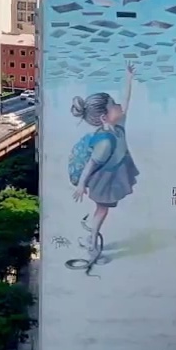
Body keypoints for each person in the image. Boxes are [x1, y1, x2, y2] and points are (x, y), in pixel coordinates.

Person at [68, 65, 138, 258]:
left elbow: (126, 101)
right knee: (102, 209)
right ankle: (92, 242)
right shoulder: (105, 141)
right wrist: (81, 184)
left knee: (102, 209)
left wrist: (129, 78)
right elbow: (91, 164)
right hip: (105, 180)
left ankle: (91, 234)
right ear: (104, 117)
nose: (119, 106)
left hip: (114, 173)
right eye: (113, 105)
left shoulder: (118, 124)